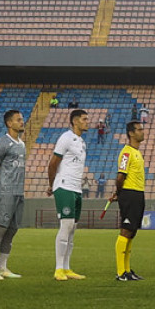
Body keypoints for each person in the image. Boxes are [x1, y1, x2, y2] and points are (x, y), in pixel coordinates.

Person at [0, 108, 27, 280]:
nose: (21, 122)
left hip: (18, 191)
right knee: (1, 228)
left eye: (22, 119)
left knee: (12, 230)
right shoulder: (4, 143)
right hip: (6, 191)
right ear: (9, 123)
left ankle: (3, 267)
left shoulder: (21, 144)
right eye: (18, 119)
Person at [50, 108, 90, 280]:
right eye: (84, 119)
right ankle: (58, 268)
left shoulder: (81, 142)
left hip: (76, 188)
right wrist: (52, 185)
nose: (87, 122)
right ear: (74, 121)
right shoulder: (66, 138)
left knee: (73, 228)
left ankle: (67, 268)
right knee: (66, 226)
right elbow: (53, 163)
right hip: (65, 186)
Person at [107, 119, 147, 281]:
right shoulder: (127, 152)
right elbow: (120, 176)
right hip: (129, 194)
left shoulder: (137, 152)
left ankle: (127, 270)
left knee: (132, 232)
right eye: (139, 130)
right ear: (131, 133)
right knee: (126, 230)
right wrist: (119, 192)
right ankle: (120, 271)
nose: (142, 132)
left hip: (138, 193)